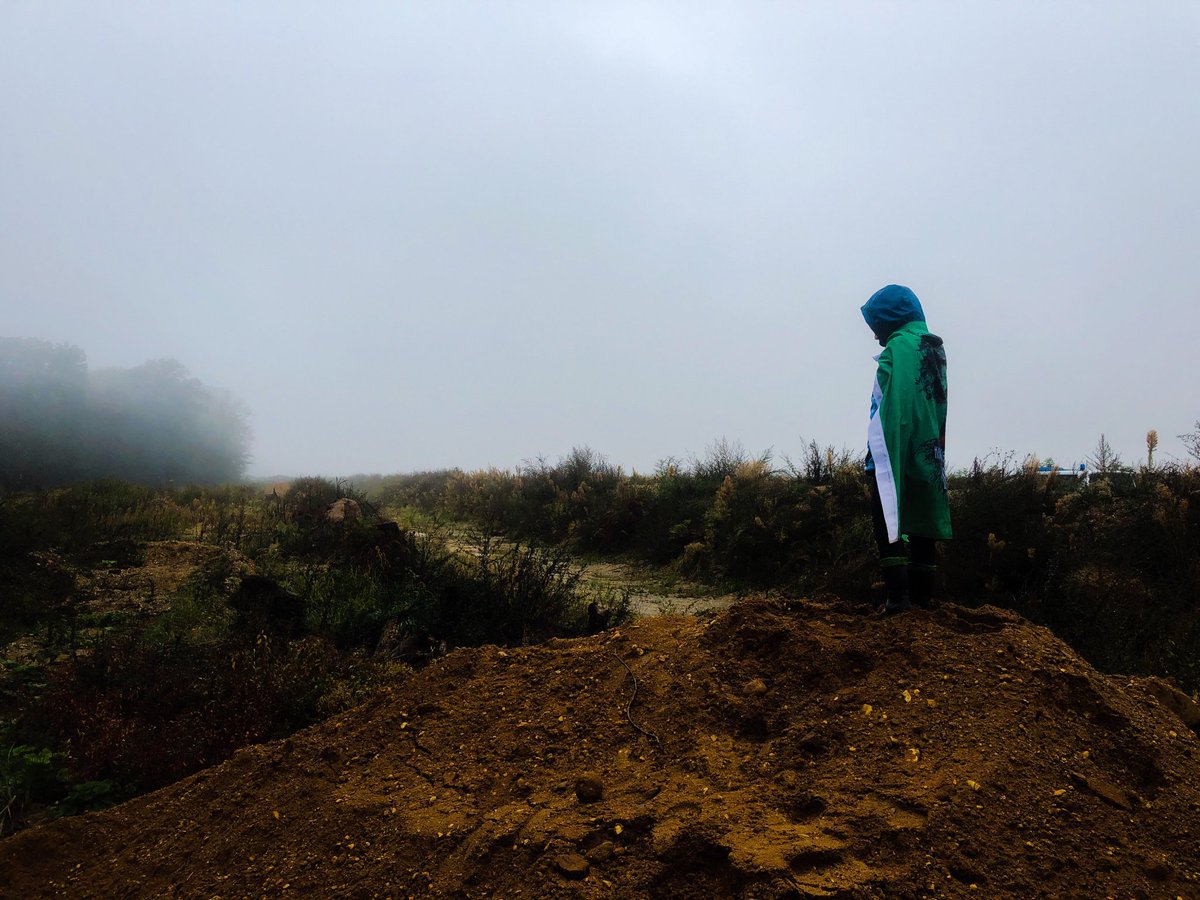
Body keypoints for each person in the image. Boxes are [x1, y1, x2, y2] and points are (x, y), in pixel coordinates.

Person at [861, 284, 951, 613]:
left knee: (887, 513)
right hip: (929, 449)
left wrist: (882, 456)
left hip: (892, 446)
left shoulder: (898, 347)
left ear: (893, 319)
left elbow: (890, 405)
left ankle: (897, 599)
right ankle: (923, 599)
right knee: (924, 514)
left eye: (877, 326)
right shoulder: (933, 348)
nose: (875, 337)